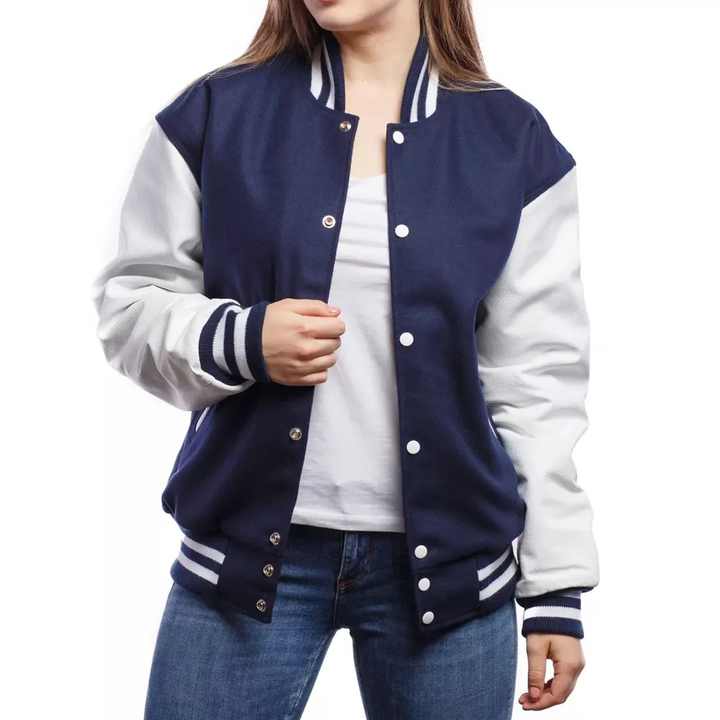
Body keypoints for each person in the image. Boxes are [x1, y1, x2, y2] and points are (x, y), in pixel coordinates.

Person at [93, 1, 600, 717]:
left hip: (453, 575)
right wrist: (244, 339)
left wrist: (554, 588)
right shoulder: (216, 112)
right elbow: (129, 308)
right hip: (244, 558)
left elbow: (538, 380)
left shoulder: (511, 141)